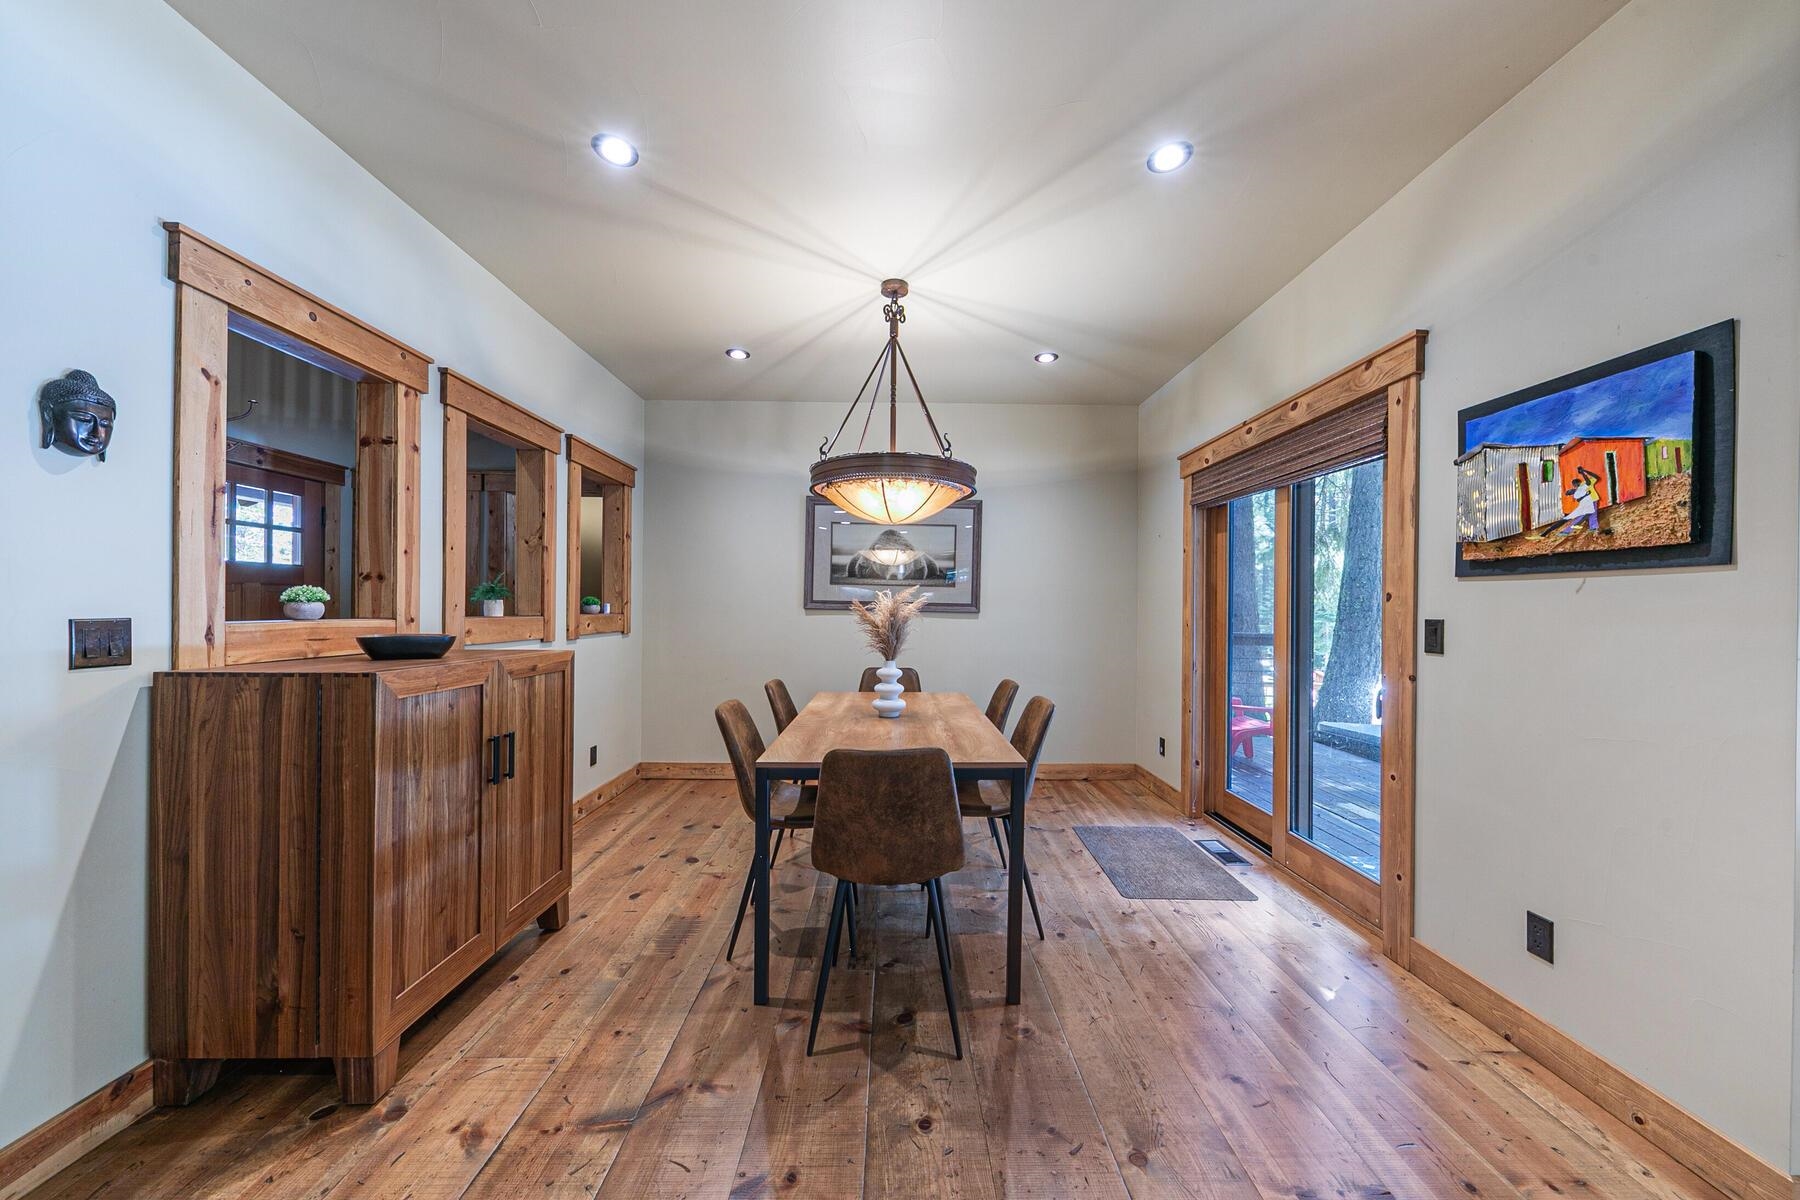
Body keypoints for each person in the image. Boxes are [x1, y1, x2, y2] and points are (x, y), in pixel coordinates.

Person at [1555, 466, 1602, 536]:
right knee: (1589, 515)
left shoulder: (1584, 484)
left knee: (1585, 516)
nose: (1575, 487)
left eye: (1574, 485)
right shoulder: (1584, 484)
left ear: (1575, 485)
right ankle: (1593, 527)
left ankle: (1567, 531)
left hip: (1590, 502)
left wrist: (1583, 472)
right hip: (1592, 501)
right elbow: (1596, 477)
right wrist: (1584, 472)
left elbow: (1595, 478)